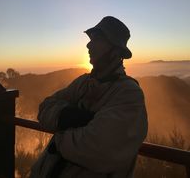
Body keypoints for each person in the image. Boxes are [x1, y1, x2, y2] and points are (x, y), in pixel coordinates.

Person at [37, 16, 148, 178]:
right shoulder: (83, 82)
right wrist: (65, 116)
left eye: (98, 39)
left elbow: (97, 148)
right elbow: (44, 107)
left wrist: (58, 138)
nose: (88, 44)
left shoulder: (129, 94)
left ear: (116, 51)